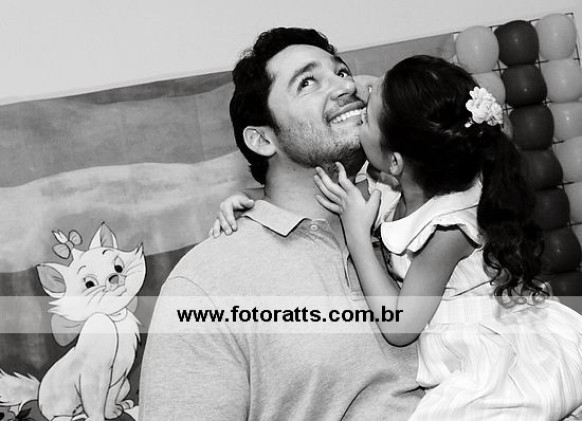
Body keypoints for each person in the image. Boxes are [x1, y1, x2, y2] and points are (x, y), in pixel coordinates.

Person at [215, 55, 582, 420]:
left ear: (394, 160)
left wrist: (358, 237)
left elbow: (400, 326)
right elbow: (304, 194)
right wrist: (250, 203)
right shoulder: (397, 182)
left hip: (502, 365)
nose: (352, 90)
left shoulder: (447, 229)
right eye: (311, 81)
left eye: (366, 118)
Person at [139, 27, 422, 420]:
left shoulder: (412, 219)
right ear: (261, 139)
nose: (346, 87)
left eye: (342, 72)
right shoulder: (207, 286)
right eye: (307, 82)